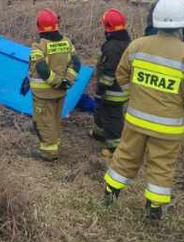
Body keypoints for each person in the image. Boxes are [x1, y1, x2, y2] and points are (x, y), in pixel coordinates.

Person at [103, 0, 184, 220]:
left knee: (125, 156)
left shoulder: (137, 46)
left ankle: (110, 195)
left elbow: (121, 74)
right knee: (161, 166)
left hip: (135, 120)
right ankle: (153, 209)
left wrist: (133, 96)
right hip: (168, 128)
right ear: (183, 23)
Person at [25, 9, 81, 161]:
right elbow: (76, 63)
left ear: (39, 27)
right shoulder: (67, 42)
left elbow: (42, 68)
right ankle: (54, 144)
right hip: (61, 92)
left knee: (43, 122)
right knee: (55, 119)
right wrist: (66, 81)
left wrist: (56, 82)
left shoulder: (39, 46)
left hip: (43, 94)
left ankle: (49, 153)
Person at [91, 9, 131, 154]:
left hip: (113, 90)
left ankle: (114, 147)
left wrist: (101, 89)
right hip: (122, 88)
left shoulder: (112, 47)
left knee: (112, 116)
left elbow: (109, 71)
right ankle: (99, 134)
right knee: (102, 111)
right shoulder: (126, 42)